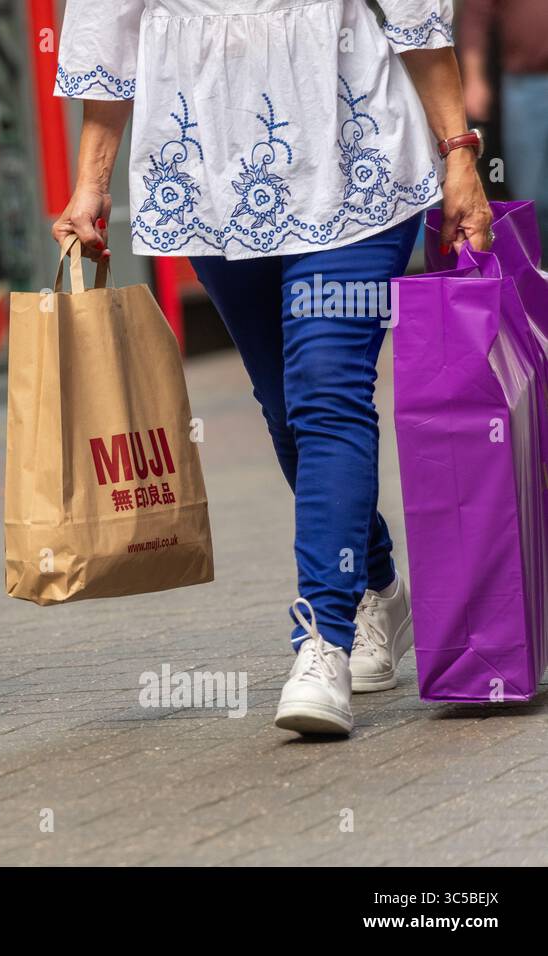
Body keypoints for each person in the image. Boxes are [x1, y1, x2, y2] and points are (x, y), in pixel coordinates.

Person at [52, 0, 492, 736]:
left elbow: (418, 14)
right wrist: (91, 182)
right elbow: (108, 24)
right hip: (207, 162)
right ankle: (375, 584)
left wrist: (458, 152)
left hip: (353, 153)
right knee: (285, 404)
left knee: (326, 387)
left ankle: (321, 638)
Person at [459, 0, 548, 261]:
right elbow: (475, 19)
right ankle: (536, 280)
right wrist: (474, 79)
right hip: (524, 84)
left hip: (524, 87)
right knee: (532, 199)